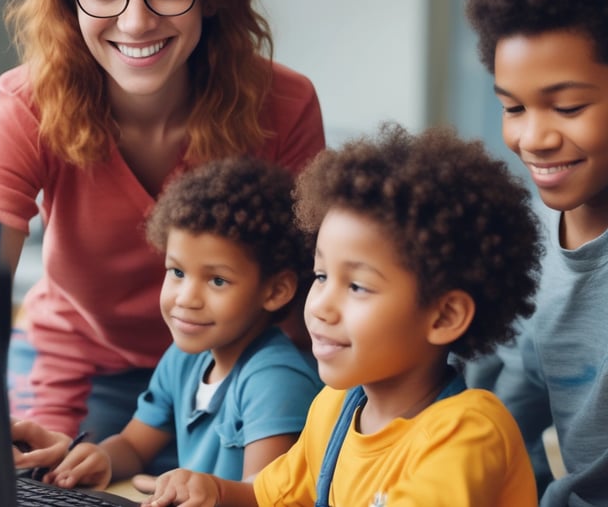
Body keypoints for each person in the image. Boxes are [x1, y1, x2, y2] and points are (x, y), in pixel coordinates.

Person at [0, 0, 325, 451]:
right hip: (76, 365)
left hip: (235, 368)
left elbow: (309, 295)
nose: (135, 23)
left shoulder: (285, 105)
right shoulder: (26, 106)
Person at [139, 123, 541, 507]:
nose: (319, 306)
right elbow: (267, 497)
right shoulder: (335, 407)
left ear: (444, 316)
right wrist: (211, 490)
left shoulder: (466, 432)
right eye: (321, 275)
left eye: (357, 286)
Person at [11, 157, 322, 492]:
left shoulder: (275, 379)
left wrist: (209, 490)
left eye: (217, 280)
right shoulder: (184, 357)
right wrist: (102, 458)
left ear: (275, 291)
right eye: (177, 272)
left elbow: (266, 496)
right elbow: (134, 445)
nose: (186, 298)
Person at [464, 0, 608, 505]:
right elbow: (501, 418)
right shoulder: (532, 246)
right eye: (513, 107)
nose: (534, 139)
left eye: (568, 107)